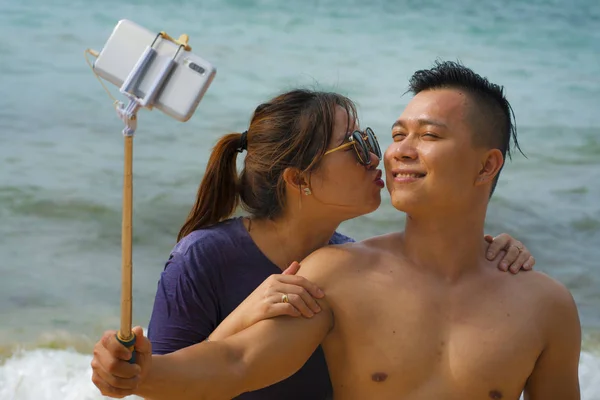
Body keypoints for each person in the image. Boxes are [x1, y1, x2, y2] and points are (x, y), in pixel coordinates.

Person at [91, 86, 542, 399]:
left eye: (370, 139)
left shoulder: (344, 260)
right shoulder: (204, 256)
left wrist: (481, 255)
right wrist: (245, 314)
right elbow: (184, 386)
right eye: (355, 145)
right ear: (299, 180)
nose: (378, 155)